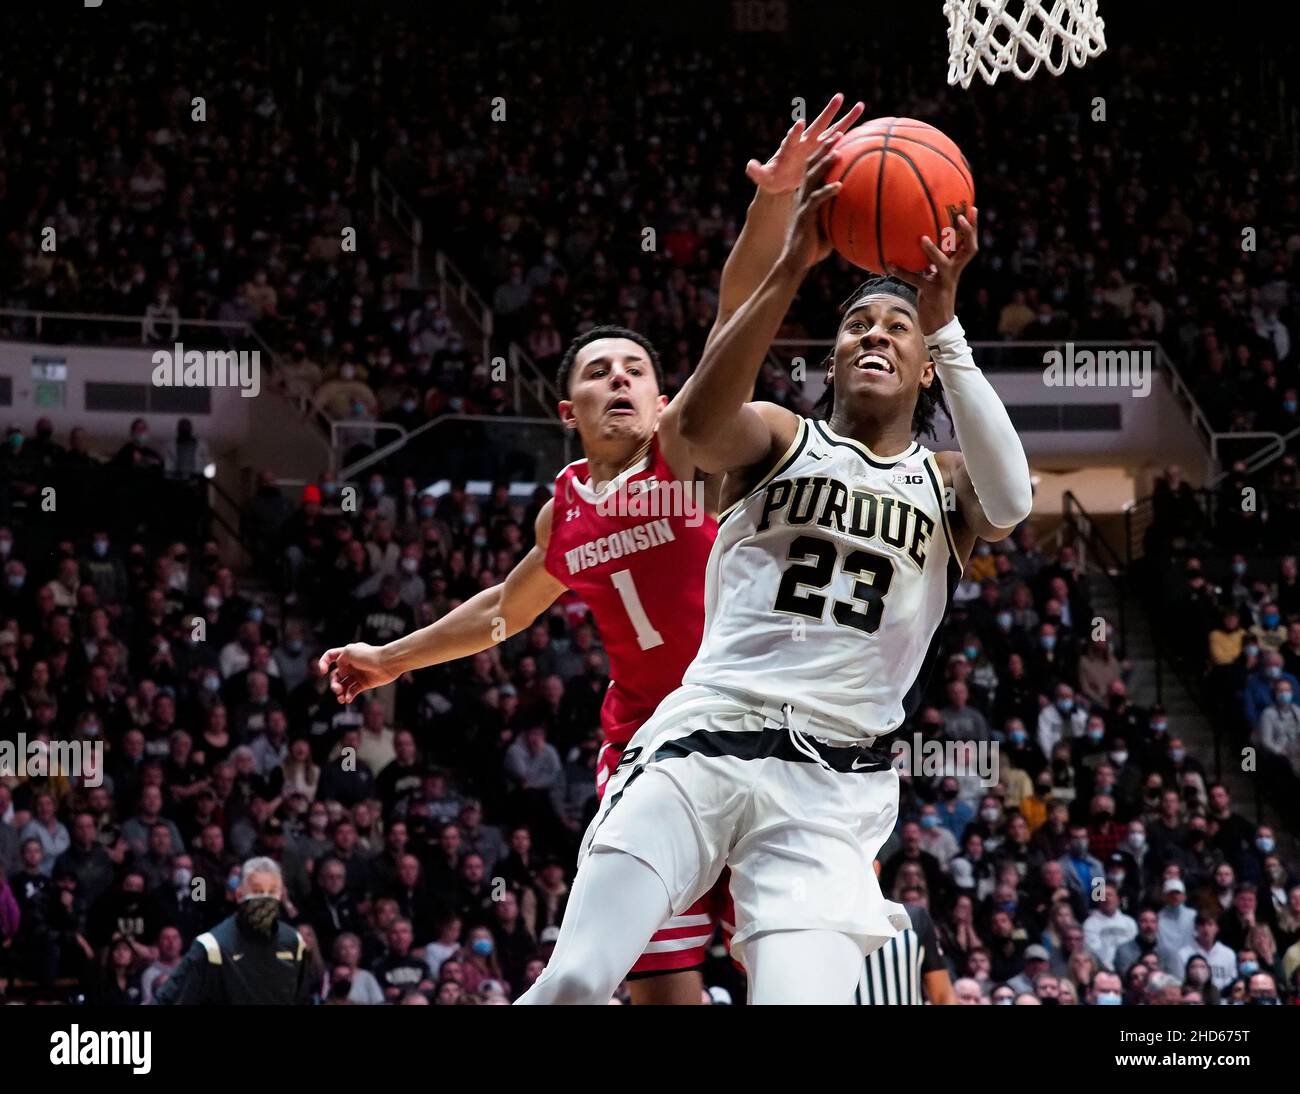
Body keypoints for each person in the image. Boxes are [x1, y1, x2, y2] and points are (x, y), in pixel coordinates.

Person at [320, 95, 868, 1005]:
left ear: (661, 400)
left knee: (789, 978)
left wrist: (771, 204)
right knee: (653, 994)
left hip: (765, 737)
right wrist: (391, 659)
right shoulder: (564, 511)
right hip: (653, 755)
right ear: (567, 413)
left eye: (636, 370)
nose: (620, 379)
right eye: (597, 372)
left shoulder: (688, 450)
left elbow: (736, 313)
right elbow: (503, 610)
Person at [516, 138, 1031, 1003]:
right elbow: (690, 431)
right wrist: (790, 261)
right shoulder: (779, 436)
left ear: (923, 367)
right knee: (573, 979)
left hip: (834, 790)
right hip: (704, 739)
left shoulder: (944, 483)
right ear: (830, 360)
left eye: (895, 328)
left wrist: (945, 323)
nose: (874, 333)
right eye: (856, 326)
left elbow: (1012, 500)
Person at [154, 857, 312, 1004]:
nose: (265, 898)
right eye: (257, 891)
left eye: (272, 891)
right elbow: (168, 998)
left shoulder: (294, 941)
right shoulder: (213, 945)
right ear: (239, 894)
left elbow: (302, 998)